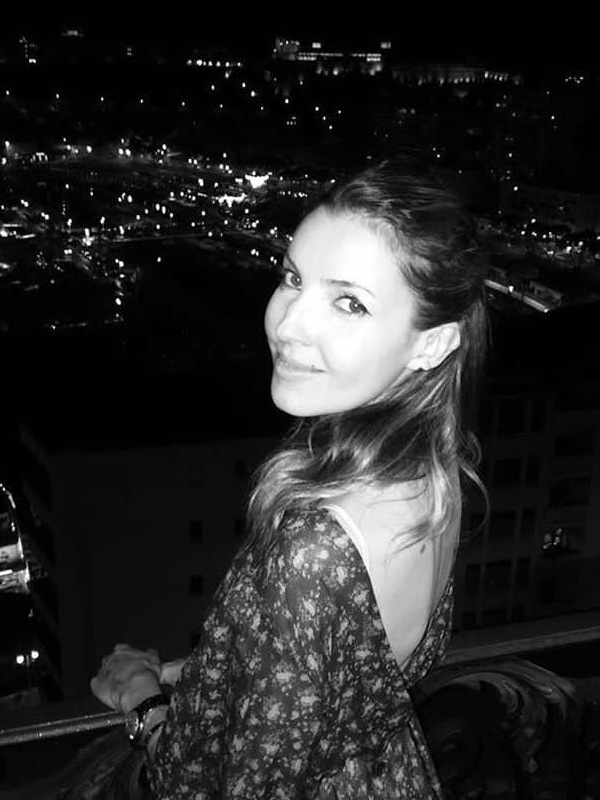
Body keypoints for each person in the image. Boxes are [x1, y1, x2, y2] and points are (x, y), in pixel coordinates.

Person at [91, 155, 489, 799]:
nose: (288, 324)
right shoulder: (433, 466)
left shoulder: (314, 548)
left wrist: (141, 700)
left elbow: (225, 788)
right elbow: (350, 673)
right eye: (292, 278)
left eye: (350, 303)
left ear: (431, 344)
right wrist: (222, 667)